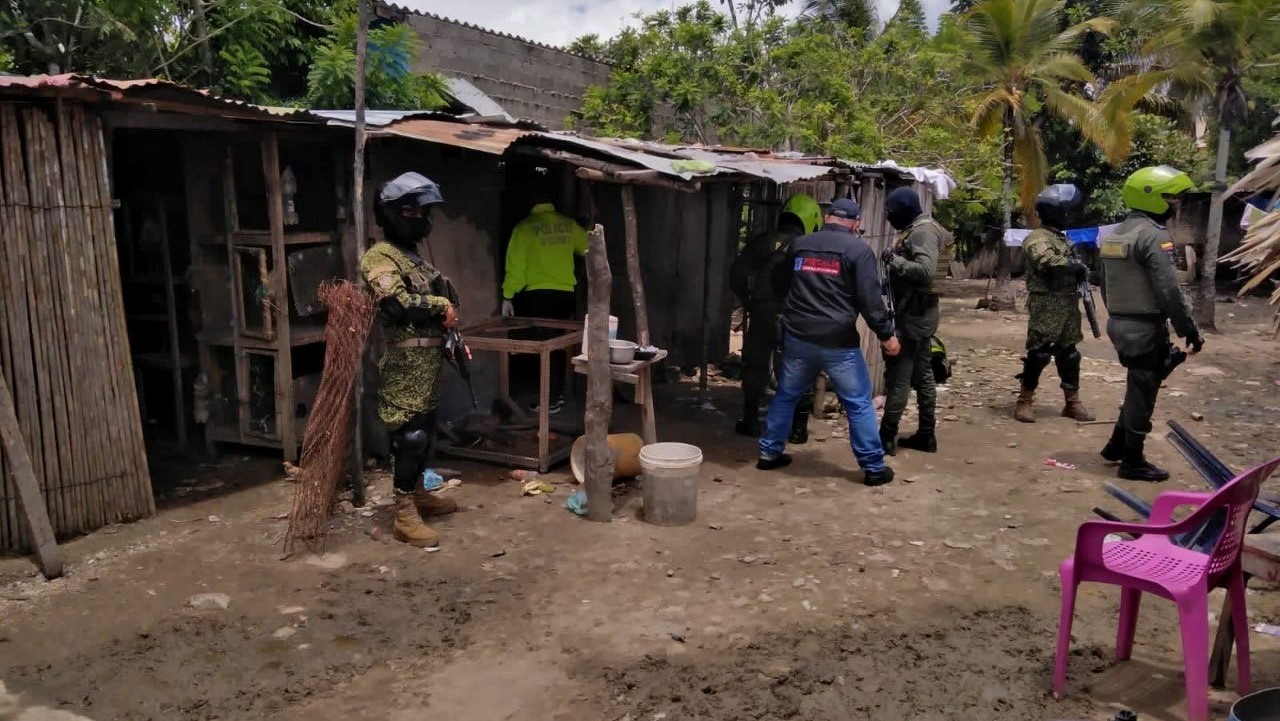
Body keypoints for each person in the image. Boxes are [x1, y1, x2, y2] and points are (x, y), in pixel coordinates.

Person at [757, 198, 901, 487]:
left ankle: (769, 453)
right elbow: (871, 302)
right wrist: (887, 336)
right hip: (839, 343)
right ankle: (873, 467)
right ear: (856, 223)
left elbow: (777, 282)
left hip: (799, 336)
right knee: (858, 403)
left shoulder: (800, 245)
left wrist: (790, 309)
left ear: (827, 218)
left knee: (786, 394)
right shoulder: (859, 251)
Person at [359, 172, 460, 547]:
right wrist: (440, 304)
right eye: (416, 213)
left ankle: (418, 494)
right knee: (411, 437)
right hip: (404, 365)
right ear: (395, 215)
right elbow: (396, 304)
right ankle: (403, 515)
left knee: (427, 432)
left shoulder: (413, 258)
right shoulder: (380, 257)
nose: (424, 220)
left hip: (428, 363)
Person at [1098, 165, 1204, 481]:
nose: (1175, 205)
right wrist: (1189, 329)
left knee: (1140, 383)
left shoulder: (1115, 235)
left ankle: (1116, 446)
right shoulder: (1153, 236)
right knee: (1144, 389)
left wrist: (1118, 315)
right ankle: (1133, 461)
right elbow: (1168, 289)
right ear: (1153, 198)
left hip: (1119, 323)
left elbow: (1103, 284)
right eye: (1172, 198)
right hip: (1145, 326)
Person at [730, 193, 822, 440]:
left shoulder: (764, 240)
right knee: (798, 366)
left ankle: (750, 420)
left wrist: (749, 301)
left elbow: (737, 273)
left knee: (755, 364)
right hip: (797, 315)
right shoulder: (810, 246)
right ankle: (798, 428)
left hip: (763, 310)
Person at [1014, 184, 1096, 423]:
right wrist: (1075, 266)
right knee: (1039, 354)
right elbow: (1047, 261)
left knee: (1070, 354)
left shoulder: (1062, 239)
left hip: (1068, 303)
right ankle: (1024, 400)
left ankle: (1072, 402)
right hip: (1047, 304)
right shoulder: (1037, 238)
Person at [878, 187, 950, 455]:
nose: (888, 217)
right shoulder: (926, 227)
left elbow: (925, 271)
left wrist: (894, 260)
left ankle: (886, 436)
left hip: (914, 316)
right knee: (923, 374)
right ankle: (926, 435)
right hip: (922, 313)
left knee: (899, 376)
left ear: (904, 210)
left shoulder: (921, 231)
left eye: (890, 212)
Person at [500, 202, 589, 414]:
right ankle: (555, 395)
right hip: (566, 293)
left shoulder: (524, 228)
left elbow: (516, 267)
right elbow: (588, 246)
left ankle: (550, 399)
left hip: (539, 295)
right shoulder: (568, 225)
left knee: (544, 346)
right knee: (558, 345)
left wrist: (507, 296)